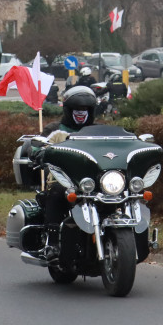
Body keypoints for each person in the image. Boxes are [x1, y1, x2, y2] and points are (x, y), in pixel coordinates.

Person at [35, 86, 98, 259]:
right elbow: (38, 145)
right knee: (56, 193)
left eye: (85, 110)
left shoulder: (99, 131)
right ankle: (52, 242)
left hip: (94, 181)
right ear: (69, 110)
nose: (81, 113)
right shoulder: (55, 129)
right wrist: (37, 150)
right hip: (63, 179)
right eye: (77, 109)